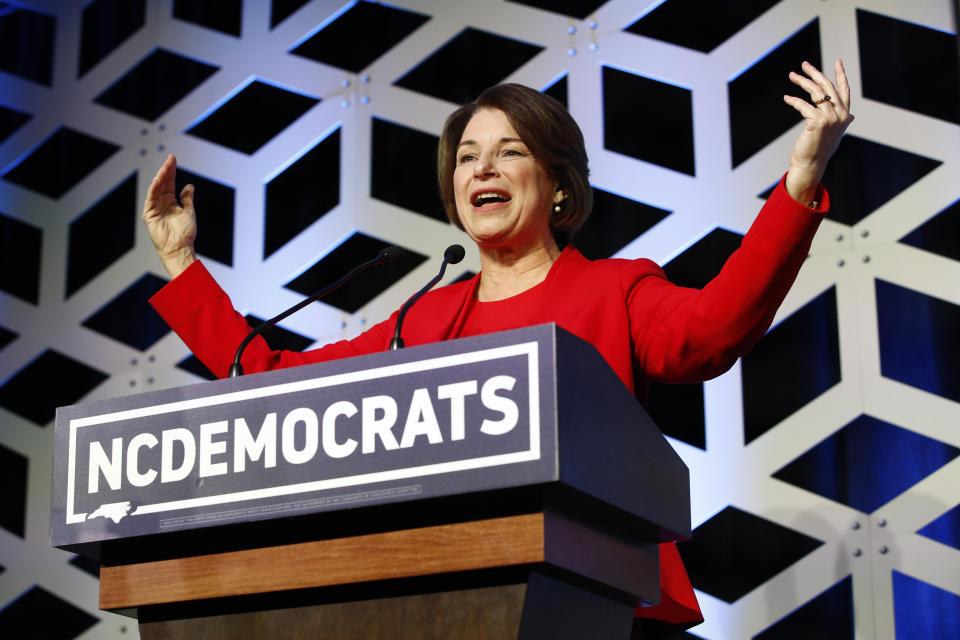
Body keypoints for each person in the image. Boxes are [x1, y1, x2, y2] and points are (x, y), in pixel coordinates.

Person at [144, 60, 853, 637]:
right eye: (468, 158)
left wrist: (800, 183)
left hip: (596, 603)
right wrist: (182, 265)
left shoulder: (614, 290)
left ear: (556, 188)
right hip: (435, 603)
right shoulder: (425, 320)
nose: (482, 169)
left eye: (510, 152)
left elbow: (711, 332)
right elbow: (273, 383)